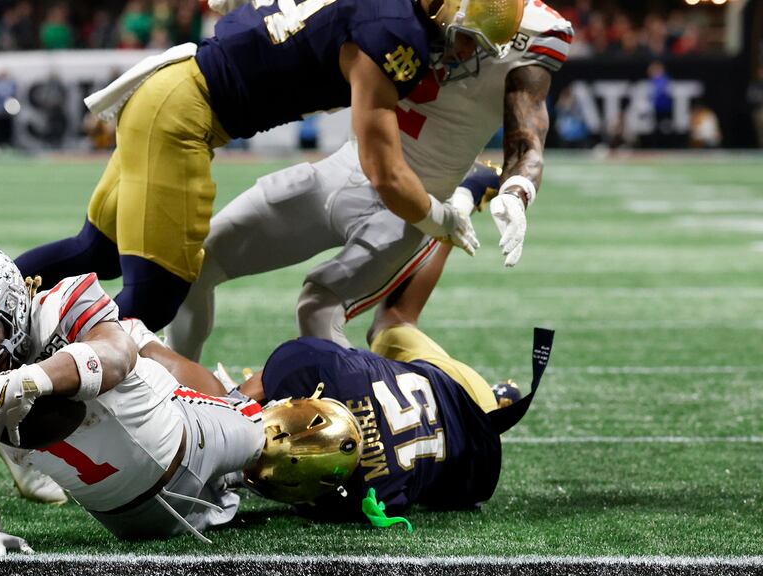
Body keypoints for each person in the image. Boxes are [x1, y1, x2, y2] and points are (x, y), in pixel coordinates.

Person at [15, 0, 526, 332]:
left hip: (169, 90)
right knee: (157, 293)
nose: (464, 53)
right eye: (466, 38)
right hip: (183, 113)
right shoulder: (395, 37)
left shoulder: (386, 13)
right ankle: (37, 390)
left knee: (97, 252)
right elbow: (384, 172)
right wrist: (440, 217)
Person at [167, 0, 573, 357]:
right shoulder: (399, 12)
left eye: (480, 44)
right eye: (465, 36)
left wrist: (518, 190)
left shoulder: (537, 32)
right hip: (346, 169)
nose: (465, 52)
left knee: (318, 306)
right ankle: (178, 388)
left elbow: (526, 141)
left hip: (411, 208)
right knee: (196, 266)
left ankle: (365, 421)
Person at [0, 241, 313, 553]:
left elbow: (117, 357)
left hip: (193, 437)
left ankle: (269, 389)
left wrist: (31, 379)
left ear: (13, 307)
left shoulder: (60, 309)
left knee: (298, 441)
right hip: (134, 521)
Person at [236, 275, 555, 517]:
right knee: (392, 319)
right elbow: (261, 385)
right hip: (462, 403)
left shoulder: (370, 496)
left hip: (475, 457)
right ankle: (449, 216)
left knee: (397, 321)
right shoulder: (358, 501)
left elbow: (242, 398)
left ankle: (497, 399)